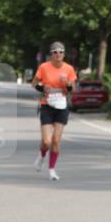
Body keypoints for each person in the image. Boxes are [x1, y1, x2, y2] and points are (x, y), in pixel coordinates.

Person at [31, 42, 77, 181]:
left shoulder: (69, 69)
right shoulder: (44, 67)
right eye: (55, 52)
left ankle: (52, 170)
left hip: (62, 106)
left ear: (64, 54)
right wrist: (42, 88)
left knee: (56, 140)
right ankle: (41, 155)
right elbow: (34, 83)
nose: (58, 54)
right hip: (47, 105)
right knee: (46, 141)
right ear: (51, 54)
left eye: (61, 52)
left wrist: (67, 84)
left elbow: (73, 90)